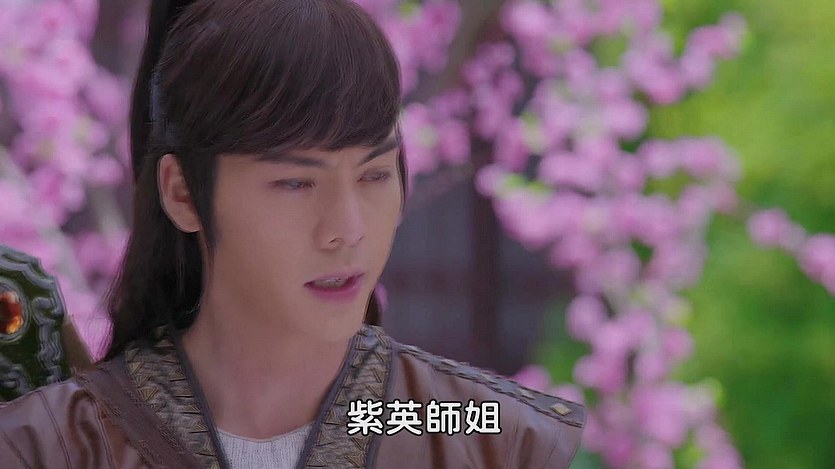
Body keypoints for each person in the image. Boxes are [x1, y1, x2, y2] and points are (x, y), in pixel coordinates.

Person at [0, 0, 585, 467]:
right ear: (183, 194)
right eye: (296, 184)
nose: (347, 231)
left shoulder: (485, 433)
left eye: (375, 175)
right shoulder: (50, 443)